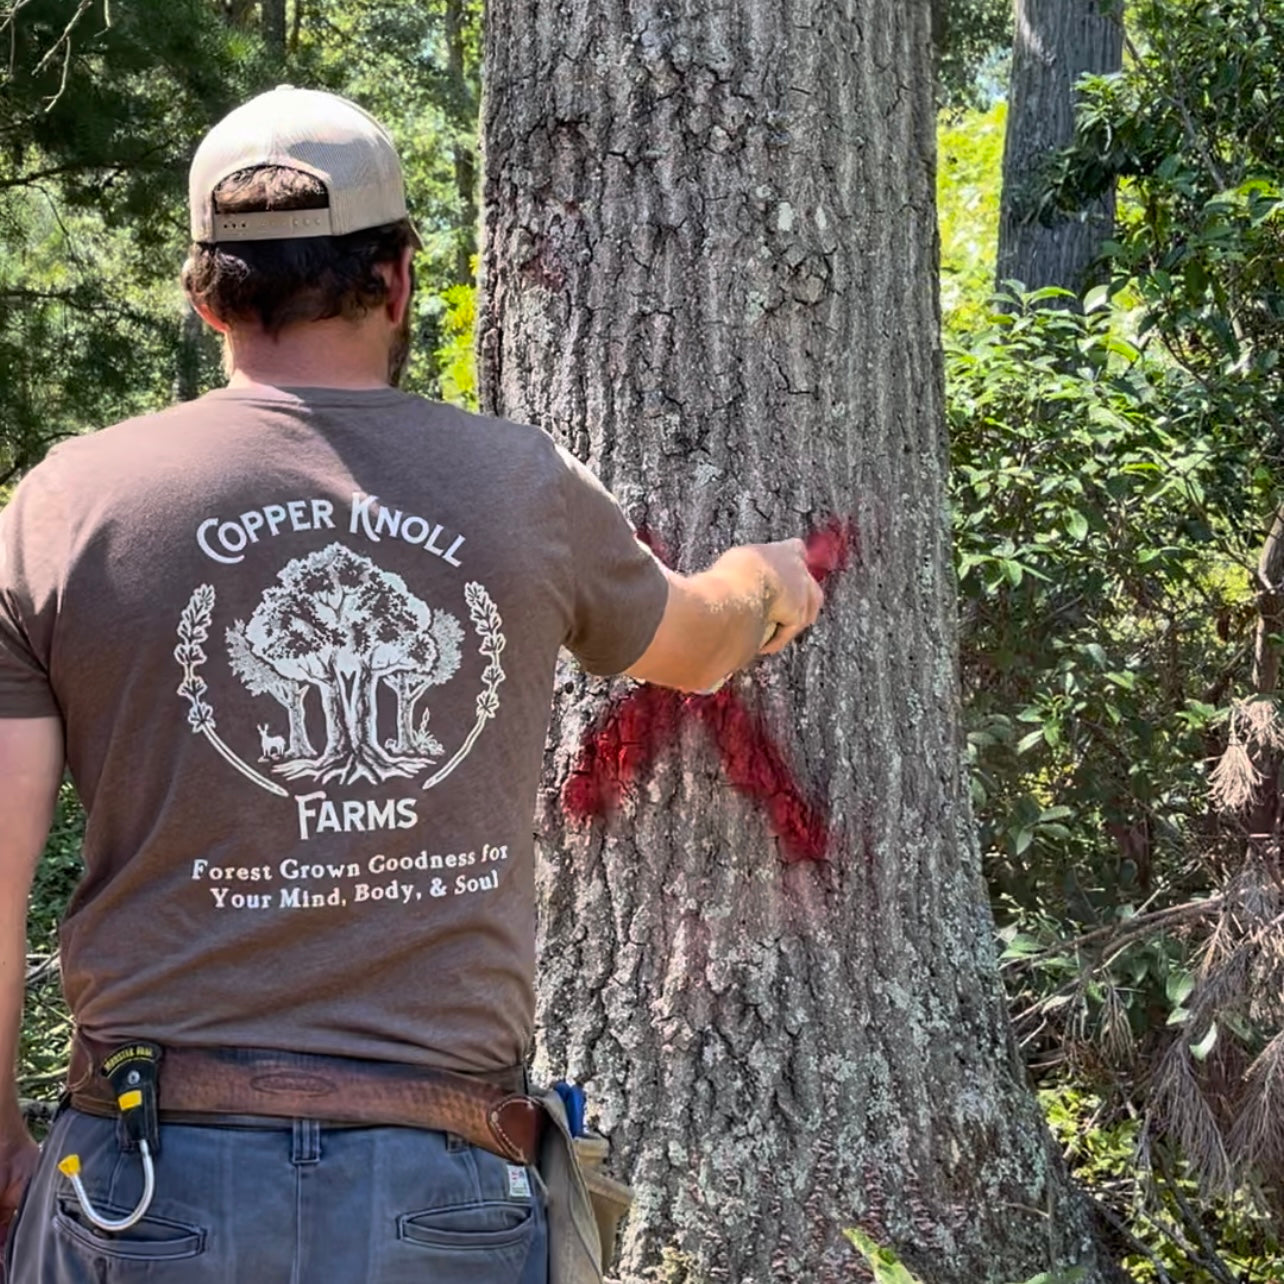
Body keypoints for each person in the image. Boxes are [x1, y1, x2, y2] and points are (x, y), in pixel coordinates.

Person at [0, 86, 823, 1283]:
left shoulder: (64, 509)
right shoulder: (520, 485)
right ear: (395, 279)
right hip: (443, 1190)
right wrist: (765, 581)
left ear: (205, 294)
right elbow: (698, 645)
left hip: (145, 1186)